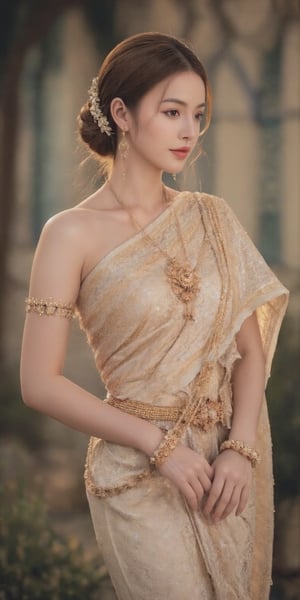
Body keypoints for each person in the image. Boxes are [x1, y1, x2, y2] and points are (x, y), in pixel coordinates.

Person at [20, 32, 288, 600]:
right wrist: (159, 446)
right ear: (121, 112)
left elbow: (250, 350)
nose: (190, 131)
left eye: (198, 114)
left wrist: (240, 451)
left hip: (222, 470)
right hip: (137, 471)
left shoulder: (213, 218)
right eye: (172, 112)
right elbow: (38, 383)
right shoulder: (69, 234)